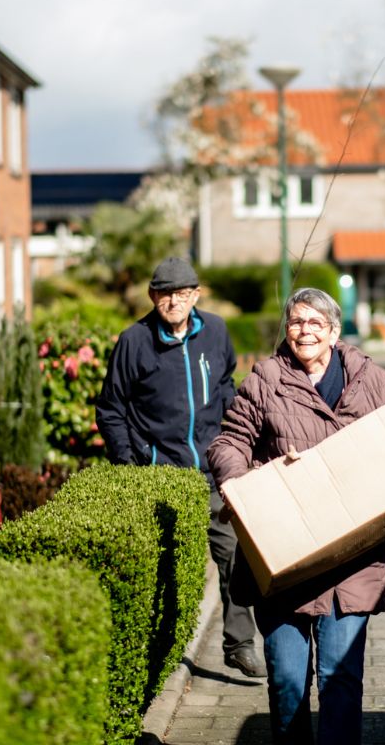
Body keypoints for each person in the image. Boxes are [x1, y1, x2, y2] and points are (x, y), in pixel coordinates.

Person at [207, 287, 385, 744]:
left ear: (334, 332)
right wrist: (236, 480)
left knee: (340, 682)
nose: (304, 331)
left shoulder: (369, 378)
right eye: (297, 322)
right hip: (287, 558)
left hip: (352, 561)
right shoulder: (266, 379)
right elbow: (231, 440)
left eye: (315, 324)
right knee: (287, 683)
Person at [95, 256, 265, 678]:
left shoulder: (216, 332)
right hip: (159, 475)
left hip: (210, 472)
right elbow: (111, 409)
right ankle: (158, 654)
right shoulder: (134, 342)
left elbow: (226, 384)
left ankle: (240, 644)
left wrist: (236, 443)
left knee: (234, 559)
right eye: (165, 293)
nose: (173, 300)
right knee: (165, 569)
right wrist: (130, 464)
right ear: (153, 297)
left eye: (182, 292)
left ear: (195, 295)